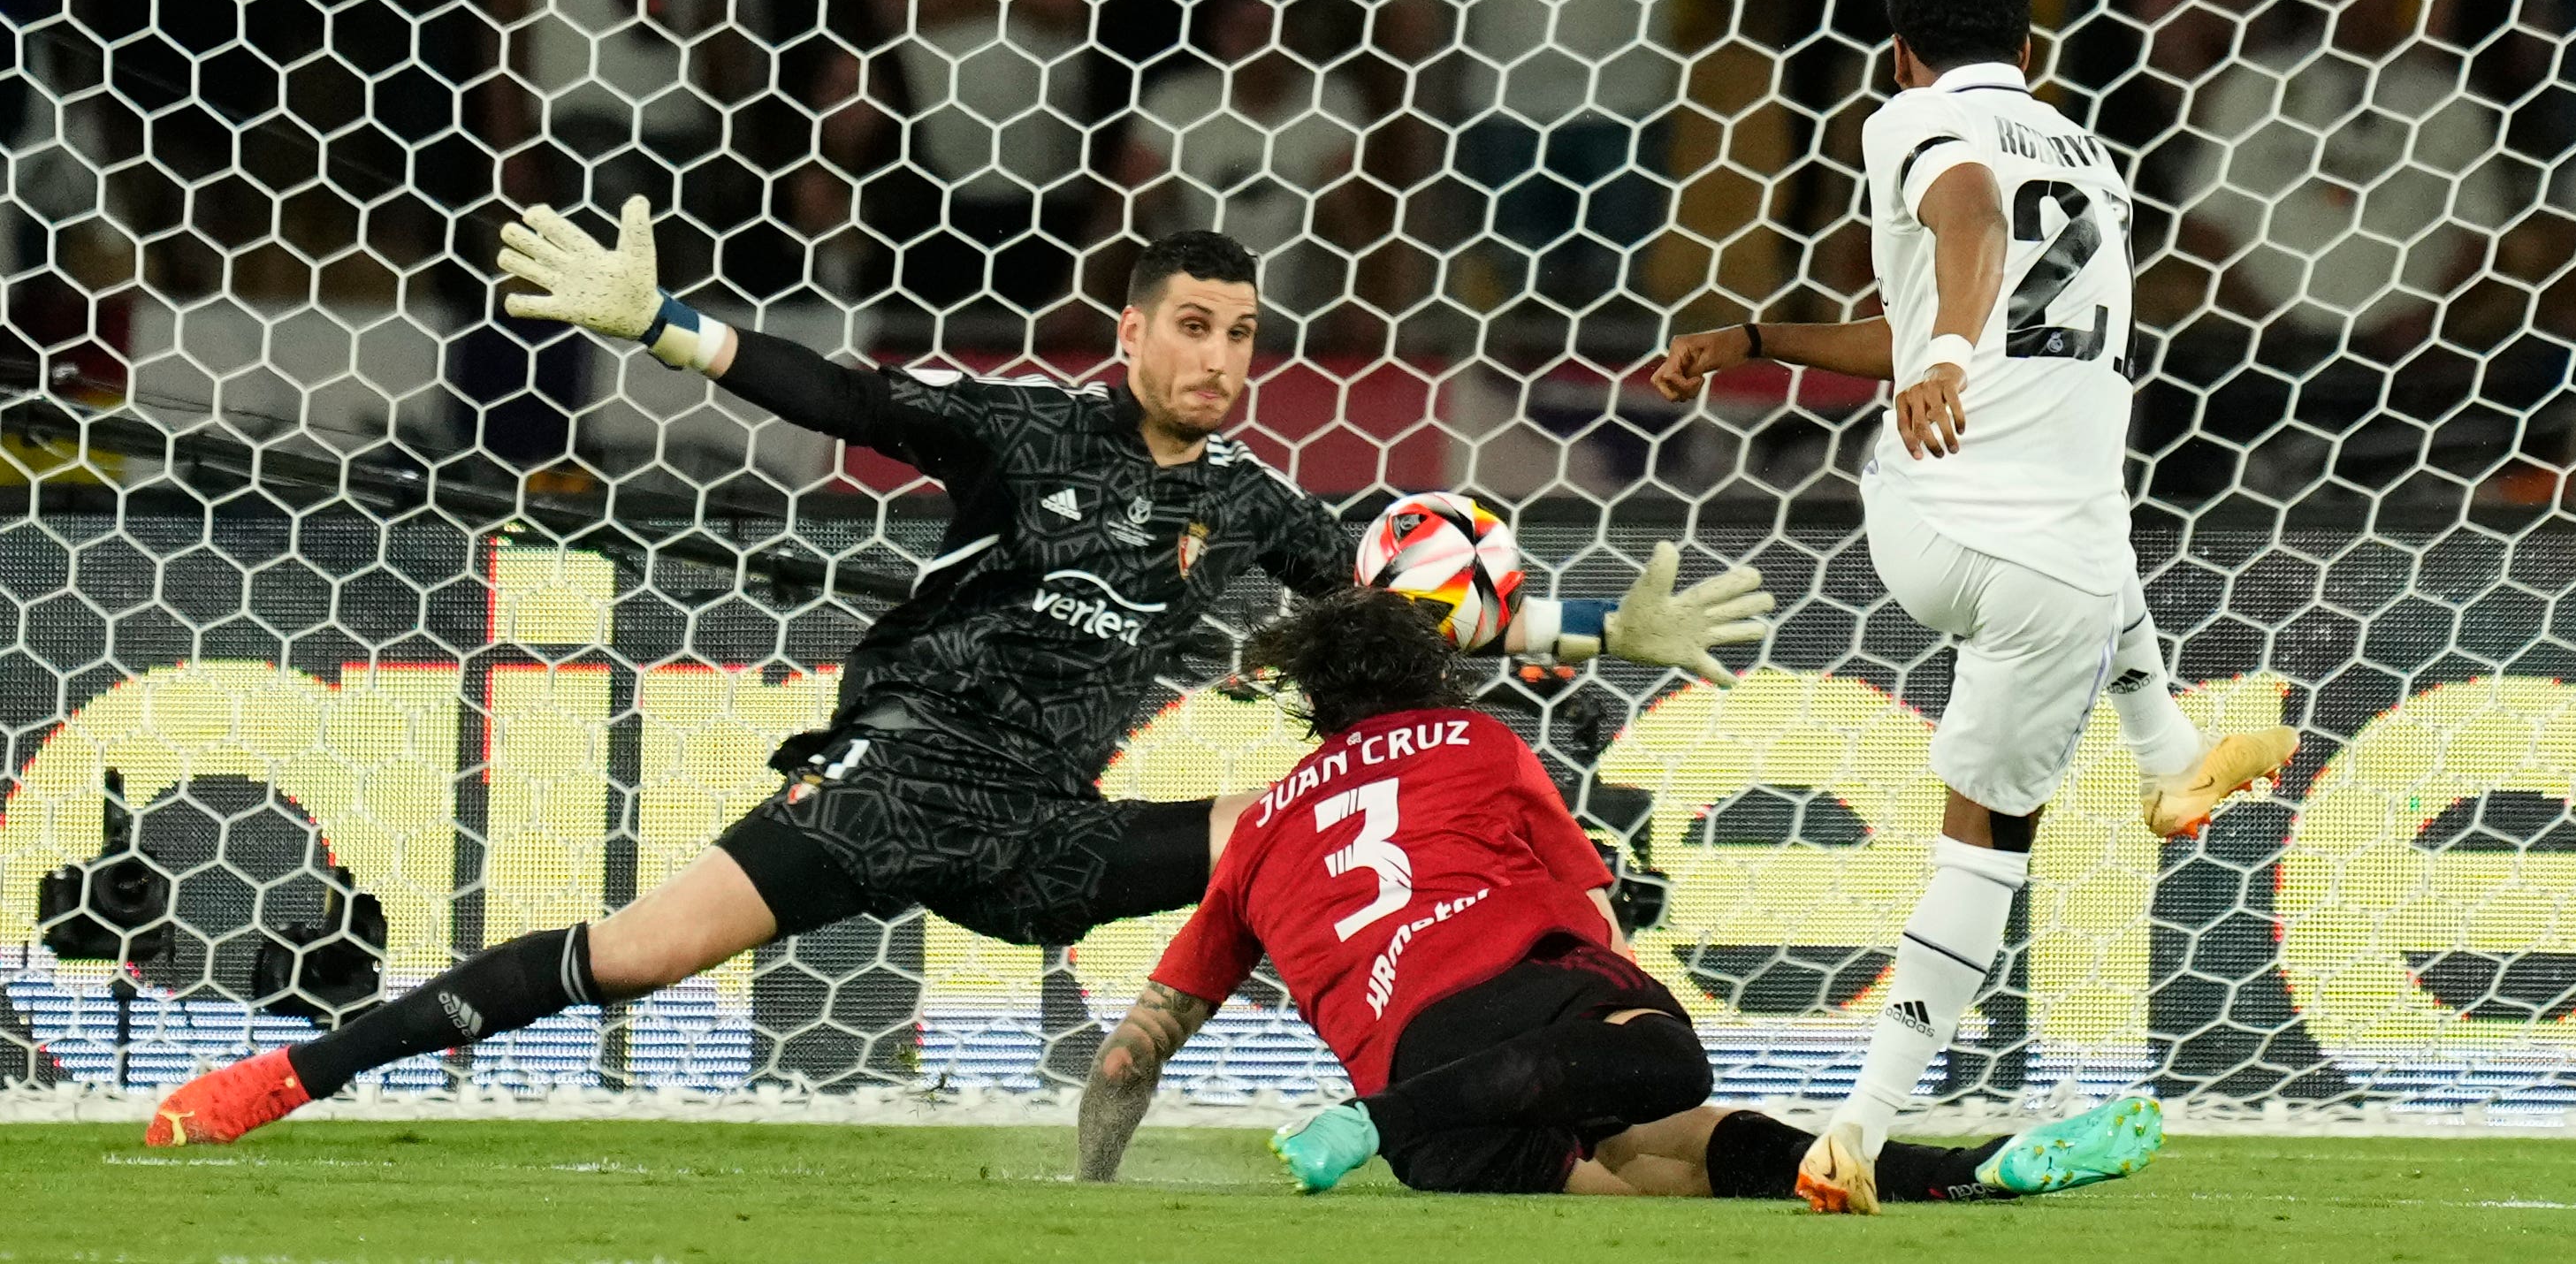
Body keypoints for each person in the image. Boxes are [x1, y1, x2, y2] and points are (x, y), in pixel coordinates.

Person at [146, 223, 1772, 1146]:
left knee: (1345, 819)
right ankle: (287, 1076)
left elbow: (1397, 616)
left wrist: (1589, 634)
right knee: (628, 954)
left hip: (1048, 837)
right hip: (893, 785)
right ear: (1131, 333)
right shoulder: (1022, 431)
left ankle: (1484, 1109)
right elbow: (839, 390)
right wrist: (665, 328)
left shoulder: (1252, 502)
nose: (1222, 360)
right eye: (1195, 328)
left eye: (1246, 340)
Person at [1650, 0, 2295, 1211]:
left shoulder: (1905, 112)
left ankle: (2172, 757)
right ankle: (1858, 1136)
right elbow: (1972, 222)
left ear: (1898, 44)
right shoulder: (2085, 159)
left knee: (2085, 514)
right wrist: (1942, 350)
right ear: (2030, 45)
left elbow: (1954, 253)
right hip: (2028, 564)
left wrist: (1762, 335)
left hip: (1926, 522)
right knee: (1989, 850)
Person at [1075, 587, 2164, 1207]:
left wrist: (1088, 1181)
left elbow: (1129, 1055)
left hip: (1424, 1101)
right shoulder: (1476, 737)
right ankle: (1376, 1120)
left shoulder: (1258, 825)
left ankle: (1975, 1172)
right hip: (1504, 1015)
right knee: (1669, 1068)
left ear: (1317, 702)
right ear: (1428, 677)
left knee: (1650, 1171)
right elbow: (1592, 920)